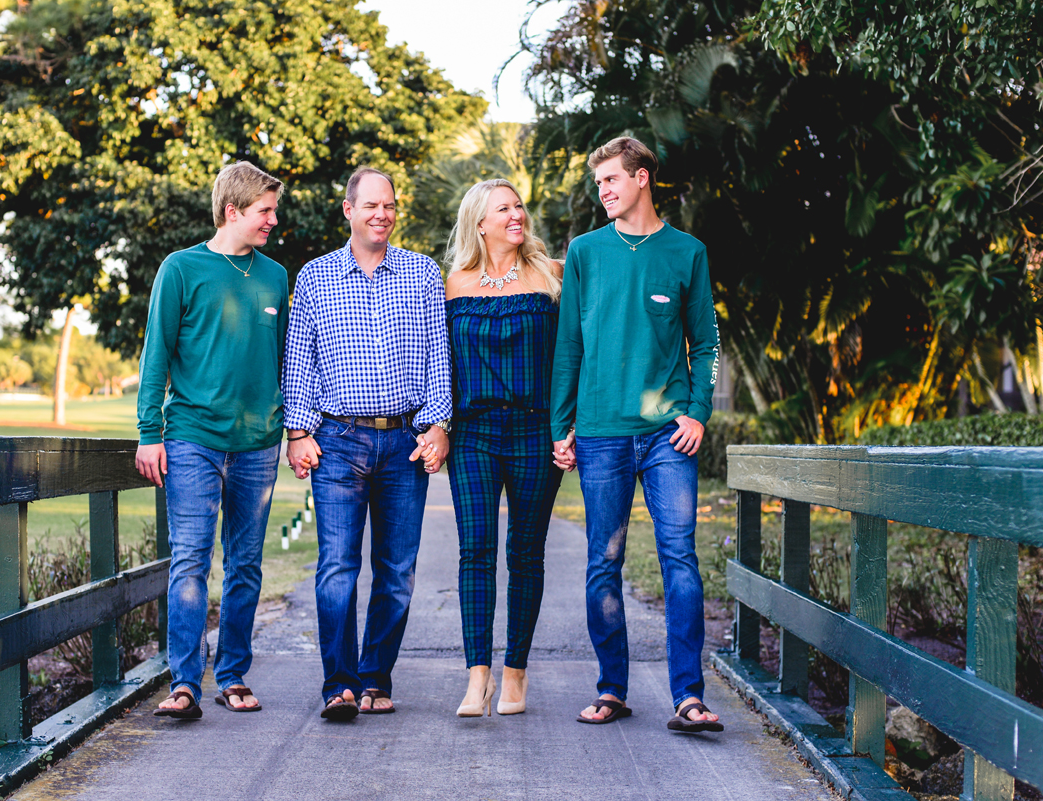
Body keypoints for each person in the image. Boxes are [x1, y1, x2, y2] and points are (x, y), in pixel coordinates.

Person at [551, 137, 724, 732]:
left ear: (643, 178)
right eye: (598, 183)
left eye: (612, 181)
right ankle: (611, 689)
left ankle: (689, 696)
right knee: (604, 562)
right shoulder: (585, 252)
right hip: (600, 433)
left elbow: (705, 344)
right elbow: (568, 343)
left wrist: (698, 411)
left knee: (680, 559)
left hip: (667, 437)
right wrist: (561, 424)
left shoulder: (687, 253)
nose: (603, 191)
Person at [282, 166, 452, 721]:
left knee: (397, 571)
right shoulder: (315, 276)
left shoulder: (422, 273)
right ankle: (340, 684)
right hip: (338, 440)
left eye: (390, 205)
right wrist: (299, 431)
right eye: (371, 205)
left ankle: (376, 676)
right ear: (349, 210)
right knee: (336, 566)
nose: (382, 214)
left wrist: (437, 425)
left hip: (404, 441)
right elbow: (299, 360)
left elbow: (437, 356)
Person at [136, 161, 288, 719]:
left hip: (258, 443)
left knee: (246, 563)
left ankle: (233, 673)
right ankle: (184, 683)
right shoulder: (181, 269)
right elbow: (157, 355)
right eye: (265, 210)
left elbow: (284, 361)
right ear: (232, 210)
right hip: (192, 438)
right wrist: (149, 431)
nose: (274, 219)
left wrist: (290, 427)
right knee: (191, 561)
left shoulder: (275, 276)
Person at [443, 179, 569, 718]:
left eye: (519, 206)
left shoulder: (552, 275)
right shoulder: (455, 282)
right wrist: (437, 426)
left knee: (525, 554)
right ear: (480, 222)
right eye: (504, 208)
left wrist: (570, 426)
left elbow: (572, 357)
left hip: (535, 431)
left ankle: (515, 672)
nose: (517, 214)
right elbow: (439, 362)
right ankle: (478, 678)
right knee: (475, 552)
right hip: (472, 433)